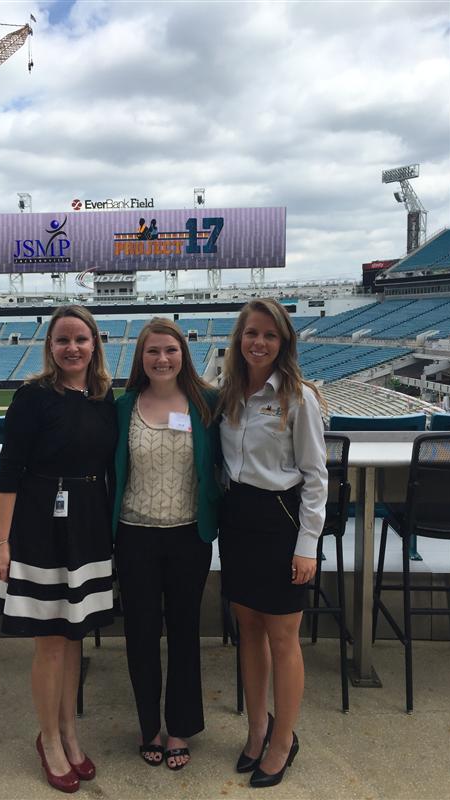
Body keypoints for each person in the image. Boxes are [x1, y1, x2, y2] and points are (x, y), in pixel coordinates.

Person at [0, 305, 117, 794]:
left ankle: (68, 731)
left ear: (94, 345)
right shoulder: (31, 398)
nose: (72, 348)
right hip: (40, 524)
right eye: (63, 340)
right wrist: (1, 543)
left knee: (74, 637)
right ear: (51, 346)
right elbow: (8, 474)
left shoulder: (105, 399)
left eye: (81, 339)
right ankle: (48, 738)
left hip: (87, 524)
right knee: (49, 642)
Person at [218, 299, 327, 789]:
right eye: (251, 333)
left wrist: (307, 544)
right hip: (238, 521)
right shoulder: (228, 394)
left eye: (269, 335)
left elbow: (315, 477)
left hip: (280, 522)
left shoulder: (299, 398)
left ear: (283, 343)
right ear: (239, 339)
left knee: (283, 638)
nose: (258, 343)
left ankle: (284, 739)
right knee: (249, 631)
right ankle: (257, 727)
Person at [112, 318, 222, 771]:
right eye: (153, 351)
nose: (162, 359)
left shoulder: (206, 403)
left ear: (183, 355)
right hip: (134, 535)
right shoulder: (122, 407)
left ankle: (179, 726)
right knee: (140, 635)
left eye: (170, 350)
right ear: (141, 357)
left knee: (183, 633)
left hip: (188, 535)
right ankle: (147, 726)